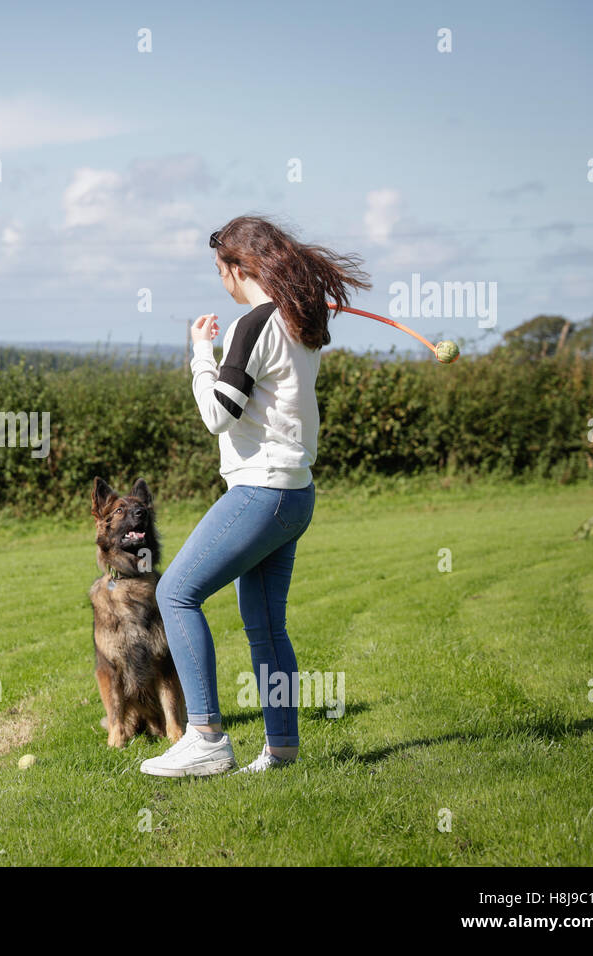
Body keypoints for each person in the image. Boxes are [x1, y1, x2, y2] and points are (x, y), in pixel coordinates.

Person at [141, 216, 369, 777]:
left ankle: (207, 738)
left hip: (260, 492)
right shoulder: (299, 321)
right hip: (295, 497)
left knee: (175, 594)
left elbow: (219, 414)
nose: (220, 279)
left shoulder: (254, 323)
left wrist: (200, 353)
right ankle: (282, 751)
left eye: (221, 269)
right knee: (266, 626)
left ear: (239, 268)